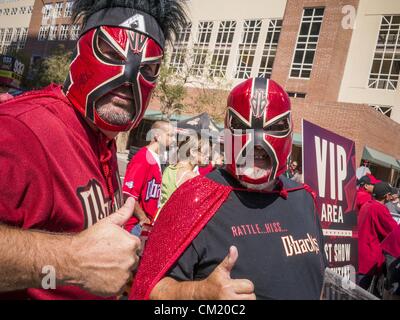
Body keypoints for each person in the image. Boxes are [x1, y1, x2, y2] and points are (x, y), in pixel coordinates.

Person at [0, 0, 187, 300]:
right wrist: (72, 260)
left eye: (149, 68)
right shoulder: (22, 130)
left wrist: (194, 294)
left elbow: (103, 266)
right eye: (112, 53)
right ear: (79, 52)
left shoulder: (103, 141)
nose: (129, 78)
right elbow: (82, 263)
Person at [130, 78, 327, 300]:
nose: (257, 145)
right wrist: (199, 294)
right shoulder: (194, 197)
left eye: (274, 128)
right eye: (242, 127)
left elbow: (315, 278)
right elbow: (149, 289)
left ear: (289, 130)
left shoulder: (303, 199)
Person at [122, 121, 175, 232]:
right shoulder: (142, 157)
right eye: (170, 135)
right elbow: (129, 194)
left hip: (147, 224)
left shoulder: (156, 158)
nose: (173, 140)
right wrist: (143, 218)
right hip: (136, 225)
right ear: (157, 136)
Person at [357, 182, 398, 291]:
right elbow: (394, 231)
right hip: (368, 257)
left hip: (359, 252)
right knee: (359, 292)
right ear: (386, 196)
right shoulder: (379, 209)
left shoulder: (367, 204)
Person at [159, 133, 210, 209]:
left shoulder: (169, 168)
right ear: (193, 152)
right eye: (205, 152)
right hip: (175, 219)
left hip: (160, 216)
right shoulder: (192, 177)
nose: (208, 155)